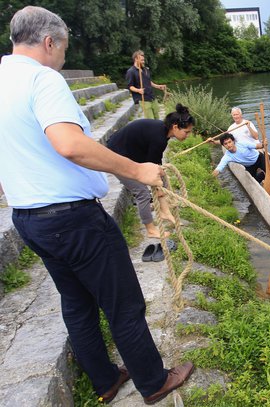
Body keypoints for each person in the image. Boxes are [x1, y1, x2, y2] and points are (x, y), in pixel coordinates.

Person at [0, 6, 193, 404]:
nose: (64, 58)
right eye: (64, 49)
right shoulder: (42, 79)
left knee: (77, 302)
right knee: (123, 302)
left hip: (29, 217)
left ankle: (105, 380)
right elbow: (70, 144)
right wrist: (138, 172)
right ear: (49, 42)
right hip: (73, 219)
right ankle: (154, 382)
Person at [107, 104, 195, 238]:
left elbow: (154, 161)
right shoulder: (159, 137)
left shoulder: (162, 132)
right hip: (115, 156)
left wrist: (160, 182)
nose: (188, 135)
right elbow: (150, 165)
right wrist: (158, 186)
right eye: (187, 132)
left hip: (130, 153)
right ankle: (151, 229)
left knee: (162, 176)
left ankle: (165, 212)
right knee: (142, 192)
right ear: (175, 127)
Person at [126, 50, 167, 120]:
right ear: (136, 59)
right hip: (143, 99)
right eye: (141, 60)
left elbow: (148, 81)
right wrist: (138, 90)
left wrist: (157, 86)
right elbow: (130, 86)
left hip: (152, 96)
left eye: (143, 60)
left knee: (157, 118)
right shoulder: (131, 71)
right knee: (150, 120)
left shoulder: (145, 69)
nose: (143, 61)